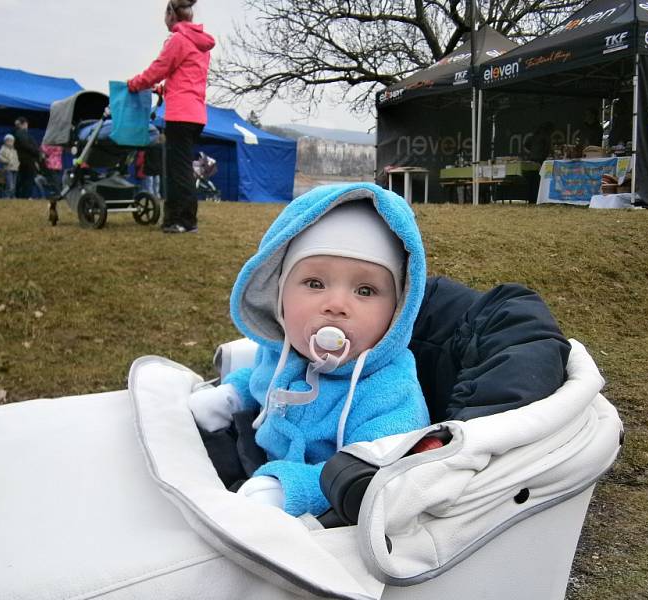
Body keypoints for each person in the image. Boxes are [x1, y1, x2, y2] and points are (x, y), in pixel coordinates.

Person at [188, 183, 430, 516]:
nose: (336, 305)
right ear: (280, 294)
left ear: (398, 311)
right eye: (315, 284)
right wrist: (234, 394)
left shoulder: (390, 393)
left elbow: (374, 471)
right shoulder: (285, 350)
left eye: (365, 290)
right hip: (258, 457)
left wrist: (291, 489)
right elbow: (264, 379)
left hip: (322, 504)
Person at [127, 0, 215, 234]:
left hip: (180, 115)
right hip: (196, 114)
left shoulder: (179, 40)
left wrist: (134, 84)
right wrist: (164, 90)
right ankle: (187, 218)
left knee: (177, 170)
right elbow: (186, 79)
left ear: (171, 14)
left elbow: (158, 69)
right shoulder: (201, 45)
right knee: (183, 167)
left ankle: (180, 221)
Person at [524, 121, 554, 204]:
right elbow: (548, 150)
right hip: (540, 161)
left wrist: (531, 153)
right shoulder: (546, 136)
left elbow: (525, 146)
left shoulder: (534, 136)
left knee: (531, 182)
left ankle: (530, 200)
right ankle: (538, 200)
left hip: (531, 161)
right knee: (539, 181)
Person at [13, 116, 41, 198]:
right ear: (24, 124)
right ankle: (24, 197)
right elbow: (27, 145)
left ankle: (21, 196)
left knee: (23, 179)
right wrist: (37, 152)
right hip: (27, 160)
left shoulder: (18, 133)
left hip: (24, 160)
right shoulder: (21, 133)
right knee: (27, 180)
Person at [0, 134, 20, 198]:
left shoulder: (14, 150)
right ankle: (6, 197)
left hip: (15, 169)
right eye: (9, 141)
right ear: (5, 141)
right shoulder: (3, 149)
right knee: (10, 184)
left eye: (12, 141)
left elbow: (16, 159)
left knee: (14, 185)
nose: (11, 143)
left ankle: (12, 196)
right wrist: (7, 161)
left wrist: (18, 165)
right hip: (8, 169)